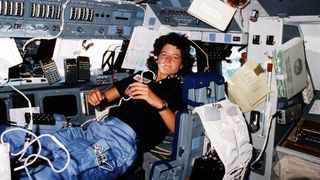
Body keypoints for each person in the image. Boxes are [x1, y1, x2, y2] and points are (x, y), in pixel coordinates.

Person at [3, 32, 195, 179]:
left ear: (182, 63)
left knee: (65, 168)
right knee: (22, 138)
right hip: (93, 131)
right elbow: (103, 97)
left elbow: (177, 130)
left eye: (175, 57)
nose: (167, 60)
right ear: (157, 57)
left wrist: (158, 103)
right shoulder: (140, 77)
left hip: (120, 143)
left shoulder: (179, 90)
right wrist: (96, 96)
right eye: (164, 54)